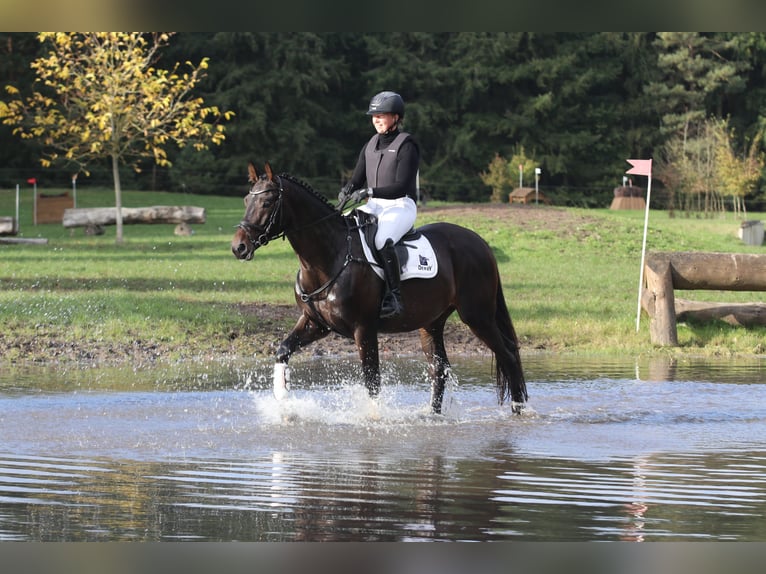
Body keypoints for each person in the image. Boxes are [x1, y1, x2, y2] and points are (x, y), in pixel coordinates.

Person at [338, 91, 420, 319]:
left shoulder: (407, 145)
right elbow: (357, 178)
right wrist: (347, 190)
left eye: (381, 115)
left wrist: (368, 191)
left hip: (400, 205)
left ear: (396, 117)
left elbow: (401, 186)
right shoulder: (370, 144)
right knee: (347, 228)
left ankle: (394, 297)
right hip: (375, 205)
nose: (376, 120)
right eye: (374, 116)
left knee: (383, 240)